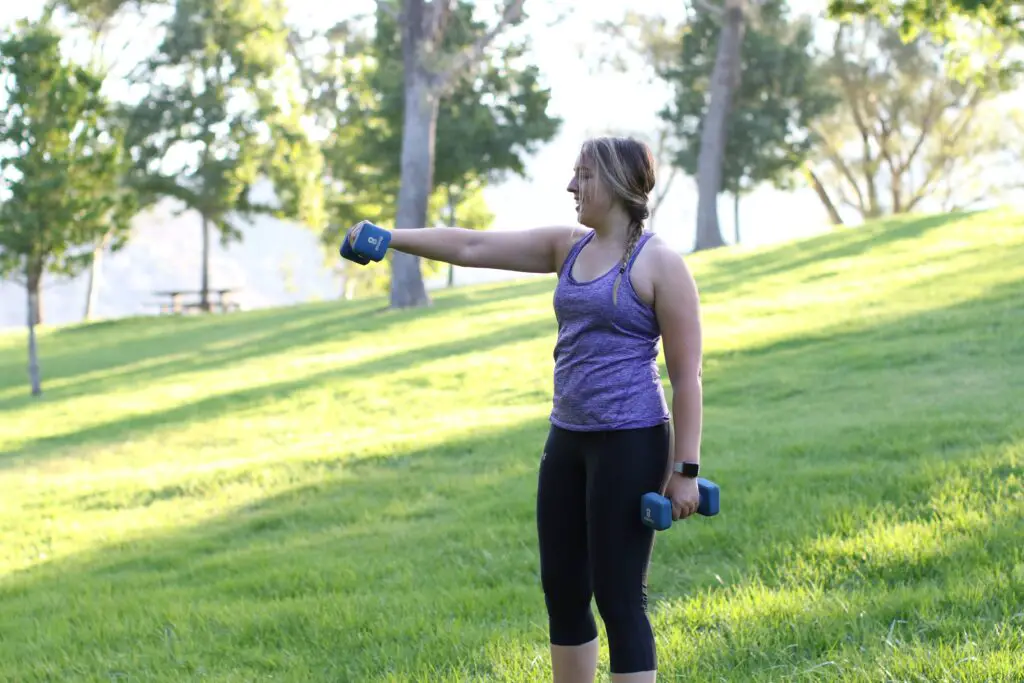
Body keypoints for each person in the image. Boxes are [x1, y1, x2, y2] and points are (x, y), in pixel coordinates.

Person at [345, 136, 704, 683]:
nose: (570, 186)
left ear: (613, 182)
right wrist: (391, 238)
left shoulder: (661, 264)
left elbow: (686, 376)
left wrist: (686, 472)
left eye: (582, 175)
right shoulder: (569, 247)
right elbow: (471, 247)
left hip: (631, 441)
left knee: (618, 597)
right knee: (562, 590)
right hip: (568, 438)